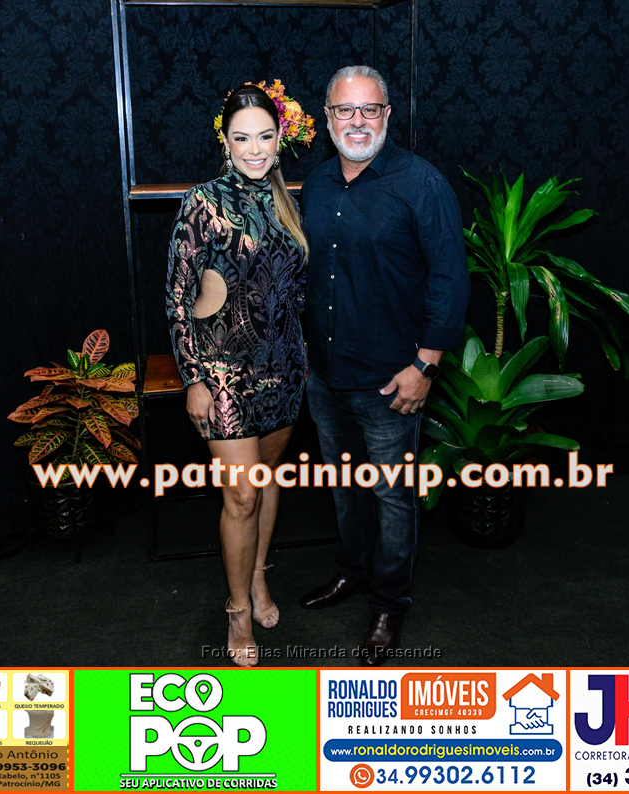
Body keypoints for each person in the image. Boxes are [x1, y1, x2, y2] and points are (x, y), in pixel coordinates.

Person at [298, 65, 469, 665]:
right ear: (326, 118)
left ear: (388, 115)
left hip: (392, 380)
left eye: (369, 109)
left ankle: (390, 602)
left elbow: (450, 279)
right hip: (326, 376)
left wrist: (425, 366)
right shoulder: (316, 184)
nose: (357, 121)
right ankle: (353, 571)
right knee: (345, 489)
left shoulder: (422, 184)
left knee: (394, 496)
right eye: (345, 110)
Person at [166, 82, 313, 667]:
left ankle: (257, 575)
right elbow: (178, 298)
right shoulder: (202, 202)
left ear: (280, 141)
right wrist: (193, 378)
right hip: (223, 373)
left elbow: (295, 293)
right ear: (225, 142)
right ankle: (237, 611)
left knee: (268, 477)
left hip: (284, 368)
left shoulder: (287, 202)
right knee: (242, 492)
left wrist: (302, 356)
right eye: (242, 138)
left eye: (265, 137)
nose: (255, 149)